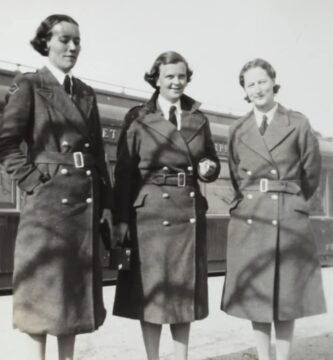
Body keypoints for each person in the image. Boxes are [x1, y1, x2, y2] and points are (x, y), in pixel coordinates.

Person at [0, 14, 113, 360]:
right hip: (47, 207)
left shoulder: (85, 93)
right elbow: (6, 143)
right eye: (64, 39)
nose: (73, 46)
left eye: (77, 40)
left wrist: (105, 203)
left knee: (72, 299)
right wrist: (34, 183)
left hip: (83, 202)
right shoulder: (30, 85)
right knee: (42, 294)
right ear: (45, 42)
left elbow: (97, 154)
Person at [112, 51, 220, 360]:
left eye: (181, 76)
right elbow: (124, 170)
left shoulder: (199, 118)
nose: (176, 81)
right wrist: (120, 219)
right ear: (156, 79)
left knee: (183, 293)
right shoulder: (138, 117)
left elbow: (209, 158)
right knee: (152, 291)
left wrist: (209, 167)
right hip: (149, 213)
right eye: (170, 76)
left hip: (187, 211)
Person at [221, 58, 326, 360]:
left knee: (286, 294)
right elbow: (235, 174)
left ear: (273, 82)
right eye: (250, 84)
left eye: (262, 81)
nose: (258, 89)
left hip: (288, 216)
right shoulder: (238, 129)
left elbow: (311, 173)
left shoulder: (298, 123)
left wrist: (291, 201)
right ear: (244, 89)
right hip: (251, 219)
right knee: (257, 295)